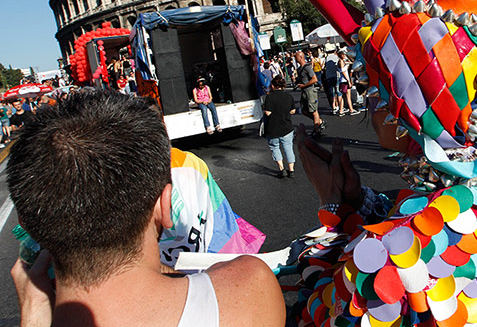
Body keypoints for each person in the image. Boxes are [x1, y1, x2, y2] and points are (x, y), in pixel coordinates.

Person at [8, 91, 285, 327]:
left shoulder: (35, 315)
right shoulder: (250, 288)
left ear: (27, 222)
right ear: (165, 205)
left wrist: (32, 315)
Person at [263, 75, 296, 178]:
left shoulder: (269, 97)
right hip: (287, 127)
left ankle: (282, 169)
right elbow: (293, 110)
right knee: (288, 148)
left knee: (275, 147)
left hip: (273, 127)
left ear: (273, 86)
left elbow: (268, 112)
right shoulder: (288, 96)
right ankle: (291, 170)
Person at [295, 50, 325, 135]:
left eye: (296, 56)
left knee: (313, 111)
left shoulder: (307, 67)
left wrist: (304, 85)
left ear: (301, 57)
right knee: (304, 111)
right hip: (304, 91)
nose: (295, 58)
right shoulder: (299, 69)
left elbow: (315, 79)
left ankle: (316, 129)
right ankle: (319, 121)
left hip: (310, 91)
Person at [336, 49, 357, 116]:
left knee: (343, 96)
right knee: (348, 96)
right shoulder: (341, 61)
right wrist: (348, 81)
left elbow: (350, 63)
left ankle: (341, 110)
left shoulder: (343, 61)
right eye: (343, 54)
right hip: (344, 80)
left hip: (342, 80)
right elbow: (343, 71)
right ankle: (351, 109)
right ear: (341, 55)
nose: (344, 55)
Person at [323, 43, 339, 113]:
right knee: (337, 91)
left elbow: (324, 67)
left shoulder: (326, 58)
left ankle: (333, 106)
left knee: (331, 92)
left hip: (328, 76)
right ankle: (338, 105)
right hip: (336, 75)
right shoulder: (336, 57)